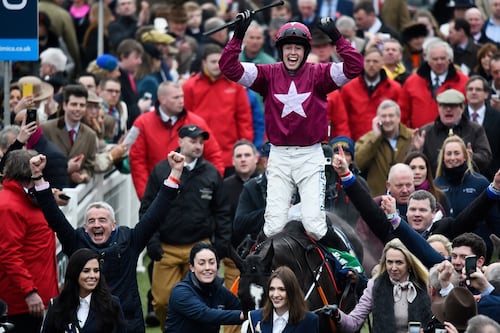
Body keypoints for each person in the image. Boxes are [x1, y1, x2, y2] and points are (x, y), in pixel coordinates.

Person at [219, 10, 363, 247]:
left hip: (310, 155)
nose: (293, 53)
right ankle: (255, 270)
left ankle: (347, 263)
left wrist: (337, 37)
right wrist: (238, 35)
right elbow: (228, 67)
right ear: (281, 50)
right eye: (288, 48)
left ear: (306, 51)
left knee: (314, 226)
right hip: (279, 156)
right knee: (273, 226)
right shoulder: (267, 74)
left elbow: (355, 66)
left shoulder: (320, 74)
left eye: (298, 48)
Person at [29, 150, 185, 333]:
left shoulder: (130, 240)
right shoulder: (75, 241)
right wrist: (37, 176)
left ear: (113, 225)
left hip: (127, 323)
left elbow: (155, 214)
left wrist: (175, 173)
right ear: (85, 227)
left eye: (102, 220)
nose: (97, 225)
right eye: (91, 221)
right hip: (87, 324)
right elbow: (53, 216)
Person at [141, 125, 231, 329]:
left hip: (201, 246)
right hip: (166, 248)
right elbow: (147, 208)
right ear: (180, 141)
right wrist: (152, 241)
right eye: (192, 140)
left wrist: (220, 246)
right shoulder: (162, 170)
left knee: (203, 303)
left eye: (201, 141)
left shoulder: (211, 173)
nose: (198, 145)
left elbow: (222, 212)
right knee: (162, 301)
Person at [129, 81, 224, 200]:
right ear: (162, 99)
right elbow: (137, 162)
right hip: (157, 193)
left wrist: (213, 188)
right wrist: (146, 196)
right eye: (176, 97)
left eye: (182, 96)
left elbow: (214, 155)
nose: (181, 101)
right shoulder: (142, 123)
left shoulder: (197, 123)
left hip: (194, 196)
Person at [0, 150, 59, 333]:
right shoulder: (9, 205)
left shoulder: (25, 199)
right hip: (22, 302)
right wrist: (29, 292)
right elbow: (9, 254)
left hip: (35, 298)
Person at [182, 44, 254, 176]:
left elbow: (244, 119)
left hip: (229, 154)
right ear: (204, 62)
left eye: (220, 61)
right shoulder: (190, 86)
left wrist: (245, 146)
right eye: (213, 62)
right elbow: (185, 119)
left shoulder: (236, 86)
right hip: (200, 153)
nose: (217, 65)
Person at [331, 238, 432, 333]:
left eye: (399, 262)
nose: (393, 268)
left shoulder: (425, 285)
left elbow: (438, 319)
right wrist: (338, 314)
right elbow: (354, 322)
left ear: (409, 263)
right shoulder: (374, 286)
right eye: (390, 262)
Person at [41, 248, 126, 333]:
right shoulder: (57, 306)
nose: (92, 275)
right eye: (86, 271)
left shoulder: (112, 305)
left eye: (96, 270)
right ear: (75, 272)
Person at [165, 242, 244, 333]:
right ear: (192, 267)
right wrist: (245, 315)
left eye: (211, 262)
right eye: (201, 263)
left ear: (217, 266)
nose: (207, 268)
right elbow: (205, 314)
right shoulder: (180, 292)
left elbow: (240, 306)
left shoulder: (219, 290)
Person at [410, 89, 492, 176]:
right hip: (435, 184)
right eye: (444, 106)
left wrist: (471, 157)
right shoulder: (426, 131)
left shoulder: (475, 130)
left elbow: (486, 157)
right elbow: (411, 163)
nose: (448, 109)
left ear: (462, 108)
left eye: (453, 106)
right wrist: (416, 149)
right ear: (438, 108)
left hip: (466, 183)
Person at [399, 39, 469, 129]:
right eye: (435, 59)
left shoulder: (464, 82)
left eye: (443, 58)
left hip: (454, 138)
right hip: (419, 137)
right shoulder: (412, 82)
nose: (439, 62)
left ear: (450, 60)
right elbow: (403, 113)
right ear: (427, 60)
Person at [336, 47, 402, 141]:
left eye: (375, 61)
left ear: (382, 63)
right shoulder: (348, 88)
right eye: (368, 61)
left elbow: (401, 117)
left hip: (385, 143)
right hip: (357, 142)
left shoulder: (395, 88)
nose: (371, 65)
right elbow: (342, 119)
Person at [41, 84, 97, 186]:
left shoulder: (90, 135)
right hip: (51, 190)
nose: (78, 109)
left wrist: (84, 176)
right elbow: (39, 164)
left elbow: (90, 166)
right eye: (74, 104)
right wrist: (65, 168)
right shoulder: (47, 129)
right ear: (65, 105)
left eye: (82, 105)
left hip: (76, 194)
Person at [354, 99, 412, 196]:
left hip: (405, 196)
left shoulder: (411, 137)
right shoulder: (368, 139)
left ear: (398, 117)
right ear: (377, 119)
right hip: (377, 197)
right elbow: (358, 163)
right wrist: (375, 139)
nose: (387, 120)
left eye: (391, 116)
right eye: (383, 116)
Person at [247, 266, 319, 333]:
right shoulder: (255, 317)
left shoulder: (309, 321)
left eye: (281, 289)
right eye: (272, 289)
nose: (275, 295)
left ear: (292, 291)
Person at [403, 151, 450, 216]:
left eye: (421, 168)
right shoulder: (400, 195)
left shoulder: (440, 196)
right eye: (413, 168)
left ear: (427, 171)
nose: (417, 172)